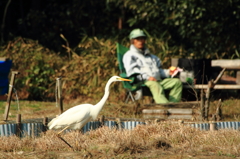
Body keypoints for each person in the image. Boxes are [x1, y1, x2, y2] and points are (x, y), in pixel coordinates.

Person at [123, 28, 182, 104]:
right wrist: (147, 77)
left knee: (177, 82)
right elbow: (132, 71)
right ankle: (165, 108)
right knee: (155, 85)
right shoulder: (129, 55)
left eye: (142, 39)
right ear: (132, 41)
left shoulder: (152, 57)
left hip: (158, 80)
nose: (140, 41)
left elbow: (159, 71)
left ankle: (174, 106)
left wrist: (168, 72)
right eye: (138, 39)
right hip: (143, 82)